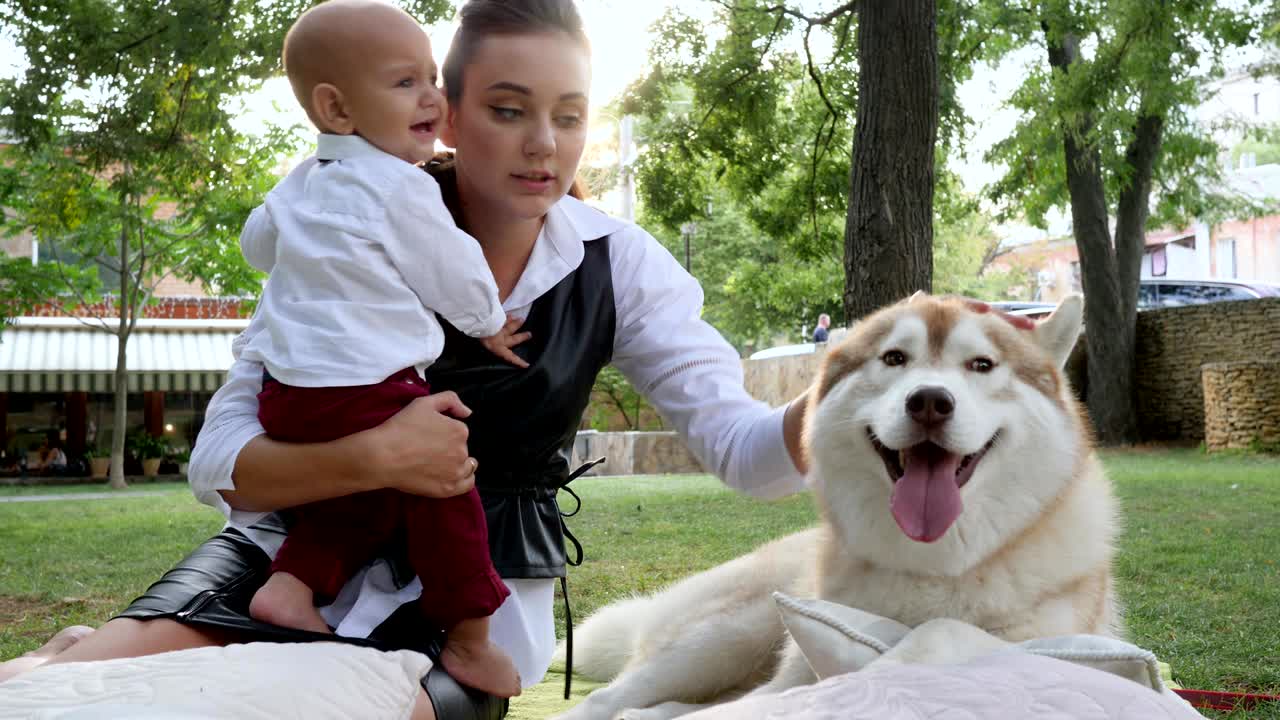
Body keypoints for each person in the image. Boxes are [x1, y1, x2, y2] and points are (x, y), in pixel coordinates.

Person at [0, 2, 1034, 717]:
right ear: (444, 112)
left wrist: (855, 376)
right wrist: (378, 457)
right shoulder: (345, 223)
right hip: (286, 552)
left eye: (569, 115)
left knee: (337, 709)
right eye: (507, 109)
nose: (544, 143)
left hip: (470, 590)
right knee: (79, 692)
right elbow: (221, 461)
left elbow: (748, 457)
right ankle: (75, 649)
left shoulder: (617, 263)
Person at [236, 0, 525, 697]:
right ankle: (470, 636)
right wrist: (487, 321)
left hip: (289, 395)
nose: (432, 97)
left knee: (364, 493)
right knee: (442, 485)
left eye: (432, 78)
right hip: (365, 386)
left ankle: (290, 586)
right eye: (405, 82)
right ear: (336, 108)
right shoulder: (401, 186)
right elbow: (452, 267)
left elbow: (256, 246)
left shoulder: (301, 181)